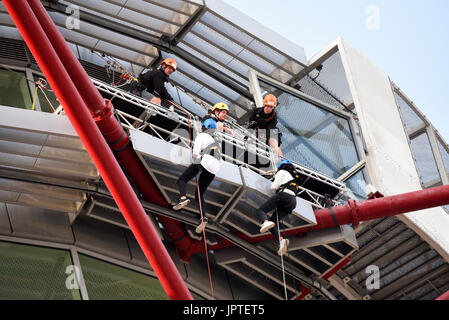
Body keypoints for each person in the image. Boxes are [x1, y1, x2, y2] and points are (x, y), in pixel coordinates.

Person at [173, 118, 222, 233]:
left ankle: (183, 198)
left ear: (204, 127)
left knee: (182, 180)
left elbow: (195, 155)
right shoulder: (217, 140)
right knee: (199, 194)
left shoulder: (202, 136)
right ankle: (203, 217)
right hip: (215, 169)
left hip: (204, 161)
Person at [255, 159, 299, 256]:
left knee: (261, 210)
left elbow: (273, 187)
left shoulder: (282, 172)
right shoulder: (293, 179)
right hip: (292, 202)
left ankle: (265, 222)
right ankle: (281, 240)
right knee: (274, 223)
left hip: (284, 196)